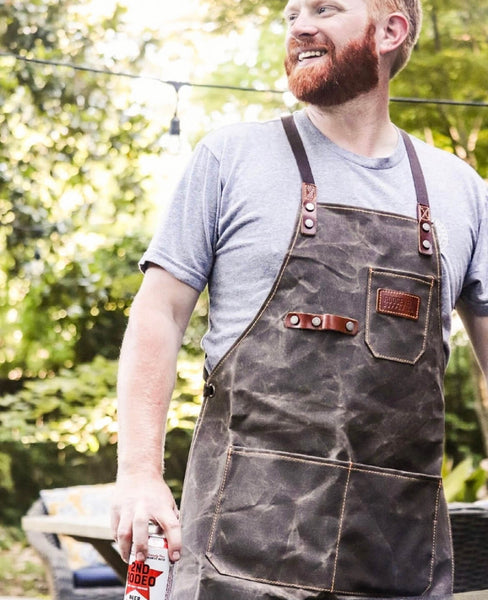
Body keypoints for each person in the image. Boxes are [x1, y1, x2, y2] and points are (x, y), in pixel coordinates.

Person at [111, 0, 488, 597]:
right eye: (292, 15)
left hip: (396, 562)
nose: (300, 26)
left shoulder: (461, 192)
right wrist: (138, 473)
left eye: (325, 8)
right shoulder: (229, 159)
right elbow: (157, 314)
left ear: (391, 30)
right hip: (238, 553)